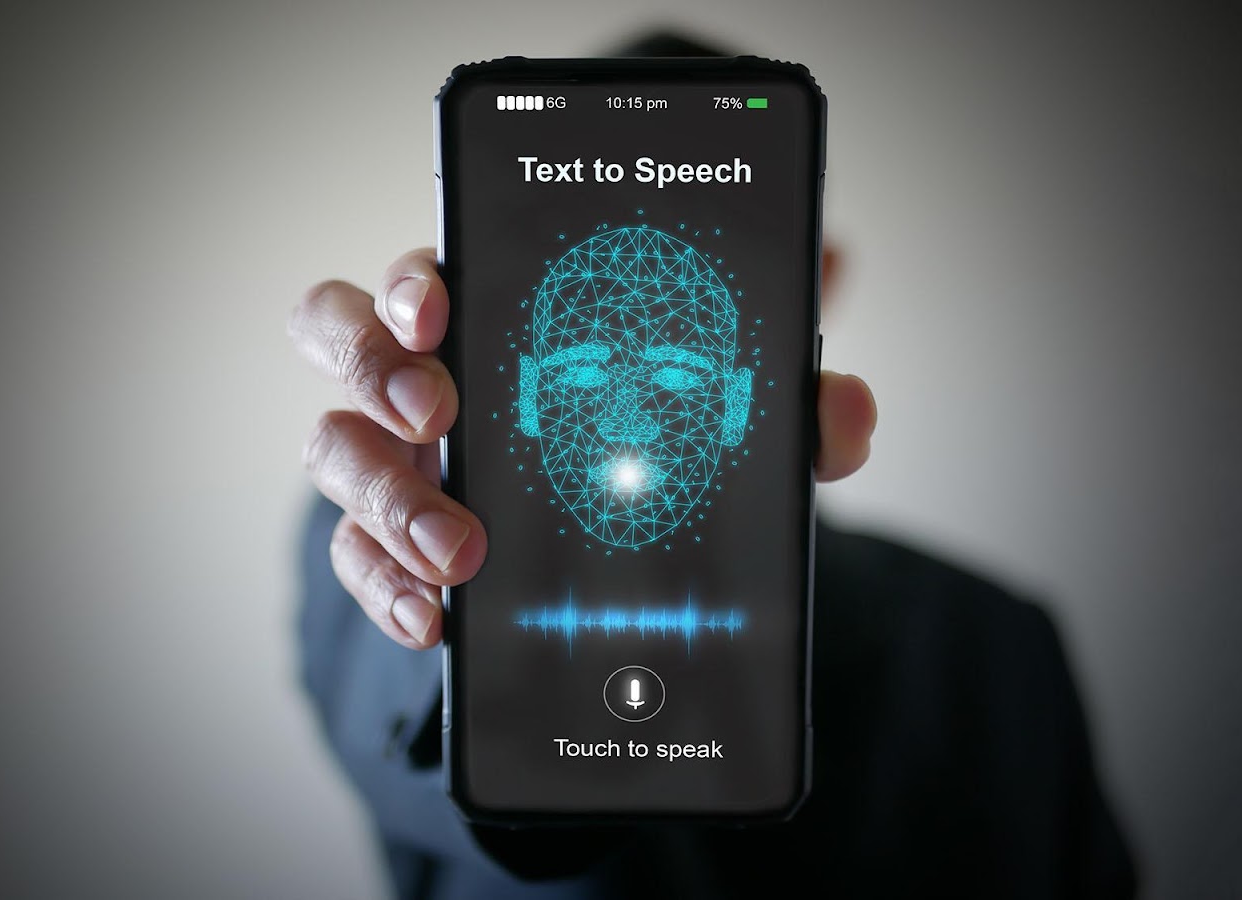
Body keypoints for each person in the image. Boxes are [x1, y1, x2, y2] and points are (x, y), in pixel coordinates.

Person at [288, 31, 1137, 900]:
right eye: (583, 363)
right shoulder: (376, 528)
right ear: (530, 386)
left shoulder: (991, 645)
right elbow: (401, 725)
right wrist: (462, 610)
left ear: (814, 281)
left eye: (677, 367)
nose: (627, 410)